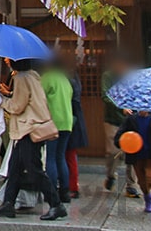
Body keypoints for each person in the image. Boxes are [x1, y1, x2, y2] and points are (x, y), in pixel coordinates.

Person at [0, 59, 67, 221]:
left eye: (8, 60)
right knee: (15, 169)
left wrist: (2, 101)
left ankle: (56, 204)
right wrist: (9, 95)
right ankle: (8, 203)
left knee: (34, 169)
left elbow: (18, 106)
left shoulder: (21, 78)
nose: (7, 62)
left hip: (28, 130)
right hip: (30, 128)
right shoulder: (33, 76)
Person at [114, 111, 151, 214]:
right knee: (141, 180)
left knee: (150, 177)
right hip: (136, 154)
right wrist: (121, 142)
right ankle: (149, 201)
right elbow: (120, 133)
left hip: (150, 154)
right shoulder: (131, 119)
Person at [102, 53, 140, 198]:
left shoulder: (132, 78)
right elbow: (105, 96)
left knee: (132, 152)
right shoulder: (108, 76)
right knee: (113, 152)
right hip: (112, 119)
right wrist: (120, 107)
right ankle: (110, 175)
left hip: (130, 120)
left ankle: (131, 185)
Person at [40, 57, 74, 203]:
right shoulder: (65, 80)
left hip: (54, 121)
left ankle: (52, 191)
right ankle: (65, 191)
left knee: (51, 157)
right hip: (67, 122)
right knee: (61, 156)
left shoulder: (47, 78)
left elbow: (39, 97)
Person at [64, 56, 88, 199]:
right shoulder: (75, 80)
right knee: (70, 156)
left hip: (69, 120)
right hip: (74, 120)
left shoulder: (68, 82)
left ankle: (72, 186)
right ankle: (73, 185)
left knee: (68, 155)